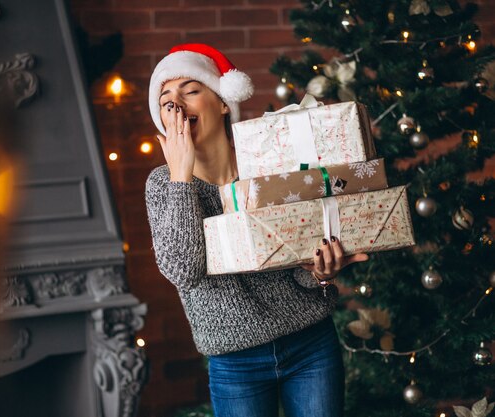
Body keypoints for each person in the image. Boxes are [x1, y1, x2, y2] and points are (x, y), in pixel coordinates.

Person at [144, 43, 369, 417]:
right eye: (166, 98)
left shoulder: (266, 160)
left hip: (310, 343)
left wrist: (318, 272)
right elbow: (182, 270)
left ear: (221, 104)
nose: (176, 104)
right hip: (236, 365)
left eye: (191, 90)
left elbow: (299, 255)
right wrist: (180, 176)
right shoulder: (162, 184)